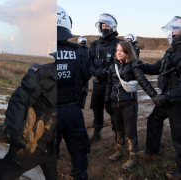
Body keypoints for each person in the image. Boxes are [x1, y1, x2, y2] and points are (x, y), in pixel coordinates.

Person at [0, 23, 57, 180]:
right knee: (6, 174)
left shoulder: (73, 77)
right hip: (34, 141)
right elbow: (18, 101)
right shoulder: (42, 73)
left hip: (54, 144)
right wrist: (15, 132)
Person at [132, 16, 181, 179]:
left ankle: (180, 170)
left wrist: (166, 96)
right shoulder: (171, 52)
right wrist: (143, 66)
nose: (172, 33)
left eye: (175, 30)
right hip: (166, 99)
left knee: (178, 136)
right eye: (172, 30)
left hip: (177, 102)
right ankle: (152, 152)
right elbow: (158, 67)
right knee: (154, 120)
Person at [105, 41, 157, 169]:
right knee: (118, 129)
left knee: (130, 131)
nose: (118, 52)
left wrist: (154, 96)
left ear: (128, 53)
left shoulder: (133, 66)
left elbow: (143, 81)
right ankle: (120, 150)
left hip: (128, 103)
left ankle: (133, 155)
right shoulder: (113, 66)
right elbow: (109, 85)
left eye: (121, 50)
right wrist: (107, 100)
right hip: (114, 103)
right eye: (117, 50)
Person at [57, 5, 92, 180]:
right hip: (73, 109)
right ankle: (80, 175)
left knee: (49, 150)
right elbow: (86, 76)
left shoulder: (42, 53)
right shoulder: (78, 51)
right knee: (78, 148)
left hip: (49, 112)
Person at [89, 13, 122, 143]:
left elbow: (122, 61)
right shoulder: (94, 44)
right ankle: (97, 131)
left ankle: (117, 134)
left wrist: (109, 72)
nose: (104, 27)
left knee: (113, 109)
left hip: (112, 83)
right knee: (96, 107)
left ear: (112, 27)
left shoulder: (119, 43)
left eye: (107, 25)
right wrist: (96, 73)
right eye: (102, 25)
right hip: (98, 82)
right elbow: (89, 61)